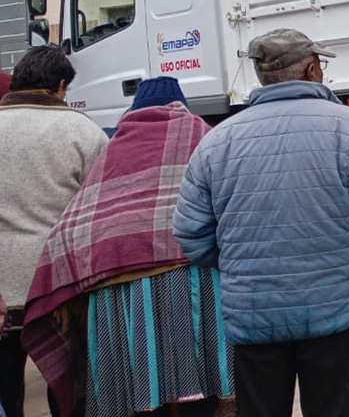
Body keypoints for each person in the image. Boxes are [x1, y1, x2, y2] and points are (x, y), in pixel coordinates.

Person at [174, 29, 349, 417]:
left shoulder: (218, 141)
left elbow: (190, 231)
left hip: (253, 310)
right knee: (331, 406)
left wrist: (238, 265)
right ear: (313, 69)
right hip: (329, 305)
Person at [22, 77, 232, 417]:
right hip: (195, 275)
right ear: (181, 105)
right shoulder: (204, 136)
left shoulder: (117, 145)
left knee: (138, 376)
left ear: (136, 110)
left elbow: (79, 219)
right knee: (201, 374)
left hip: (118, 284)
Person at [0, 46, 108, 417]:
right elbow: (100, 211)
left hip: (2, 294)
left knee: (6, 389)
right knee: (67, 389)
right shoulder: (84, 131)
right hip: (59, 288)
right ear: (61, 86)